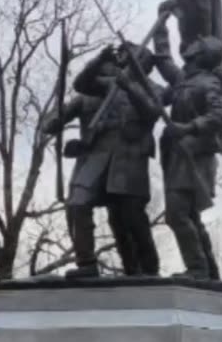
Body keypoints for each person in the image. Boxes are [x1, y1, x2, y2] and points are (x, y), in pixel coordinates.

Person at [41, 44, 162, 277]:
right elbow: (80, 86)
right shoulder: (106, 86)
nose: (119, 61)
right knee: (77, 204)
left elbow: (152, 113)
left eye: (127, 57)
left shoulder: (151, 88)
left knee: (128, 220)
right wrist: (98, 59)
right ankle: (86, 263)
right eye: (118, 58)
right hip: (96, 160)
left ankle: (146, 271)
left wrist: (129, 87)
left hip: (129, 163)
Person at [150, 0, 222, 280]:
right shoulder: (184, 78)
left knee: (177, 214)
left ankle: (197, 269)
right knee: (189, 215)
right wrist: (162, 22)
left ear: (201, 53)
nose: (191, 43)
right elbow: (162, 59)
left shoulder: (209, 83)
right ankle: (208, 270)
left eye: (197, 43)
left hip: (196, 157)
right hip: (178, 157)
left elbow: (219, 116)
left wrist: (188, 128)